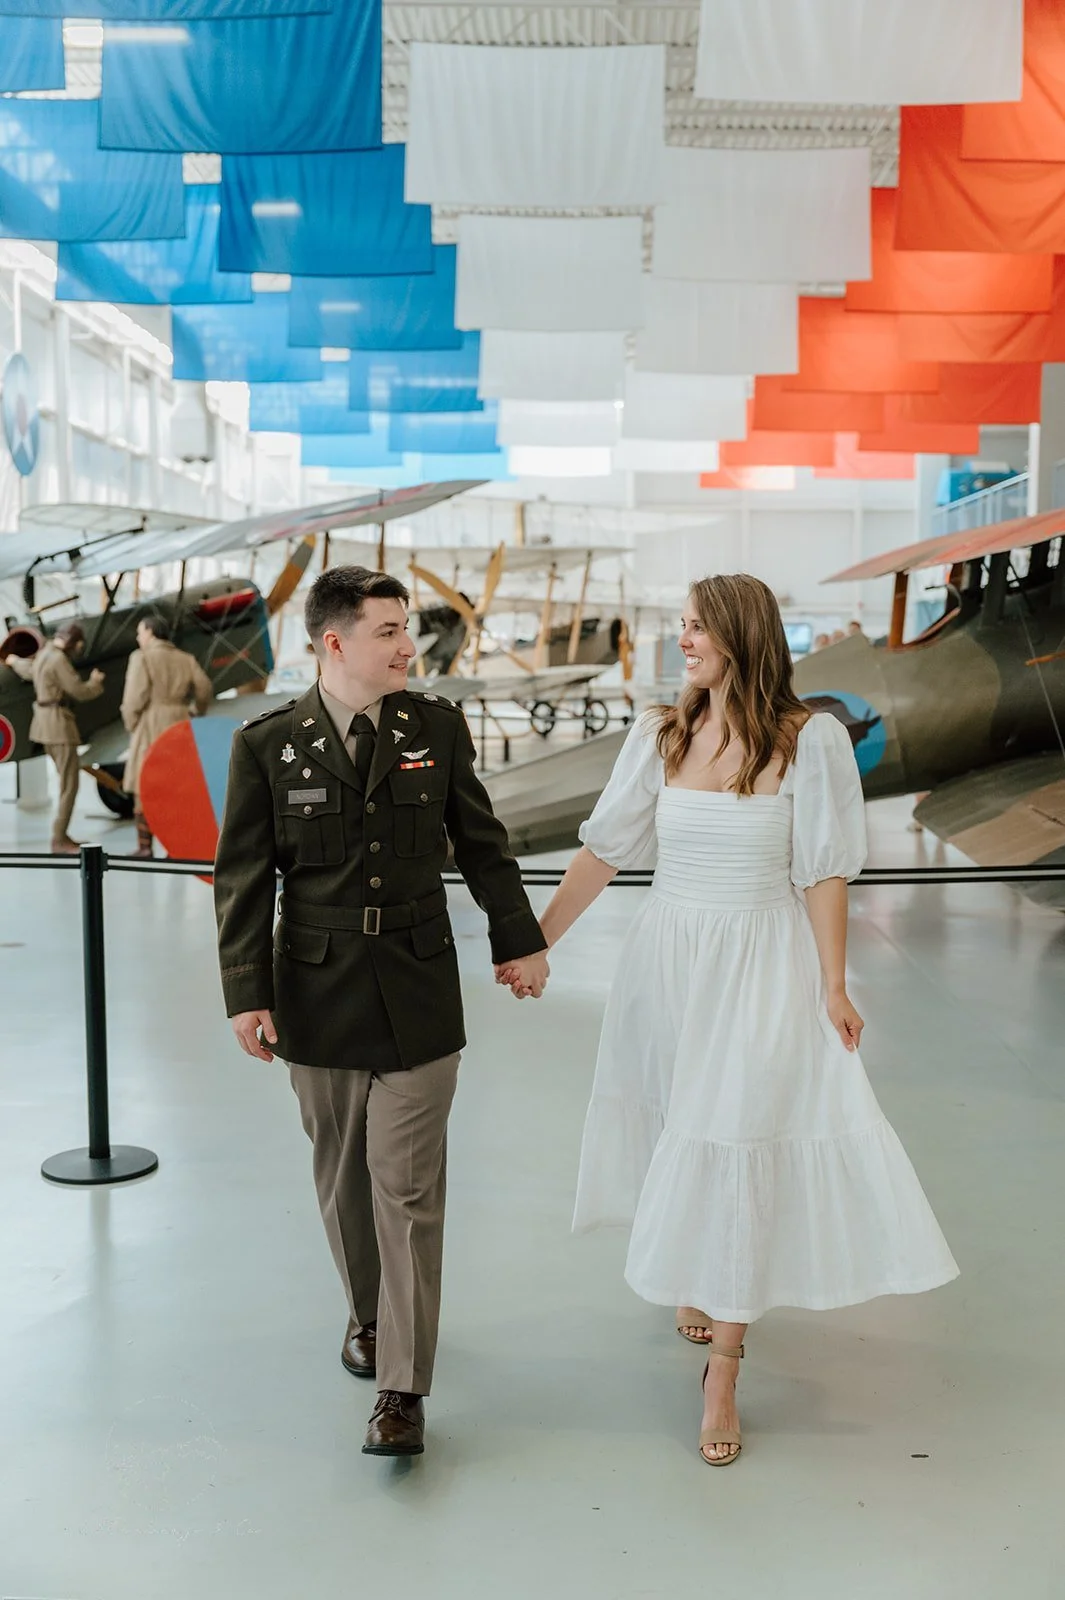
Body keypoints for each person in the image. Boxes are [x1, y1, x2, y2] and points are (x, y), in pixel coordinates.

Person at [501, 574, 958, 1467]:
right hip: (668, 960)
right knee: (680, 1123)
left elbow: (824, 869)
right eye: (680, 627)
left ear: (742, 636)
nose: (683, 642)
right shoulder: (661, 734)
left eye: (696, 629)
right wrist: (539, 942)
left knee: (738, 1138)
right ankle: (692, 1276)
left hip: (761, 964)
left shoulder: (806, 739)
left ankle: (726, 1371)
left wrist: (833, 984)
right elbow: (605, 849)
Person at [213, 566, 549, 1460]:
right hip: (314, 991)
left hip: (416, 982)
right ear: (335, 643)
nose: (410, 645)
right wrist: (246, 992)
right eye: (390, 630)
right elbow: (244, 875)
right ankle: (365, 1315)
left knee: (406, 1189)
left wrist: (517, 940)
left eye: (407, 629)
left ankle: (401, 1387)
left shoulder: (434, 728)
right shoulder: (268, 744)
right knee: (342, 1181)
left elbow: (480, 840)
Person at [4, 622, 104, 853]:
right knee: (70, 785)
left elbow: (28, 671)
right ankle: (59, 839)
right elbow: (79, 690)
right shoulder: (59, 660)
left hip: (42, 726)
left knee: (65, 782)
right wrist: (96, 683)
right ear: (74, 643)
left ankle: (62, 835)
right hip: (59, 726)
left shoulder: (44, 653)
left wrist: (14, 661)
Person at [120, 613, 212, 858]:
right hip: (179, 723)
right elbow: (204, 687)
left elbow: (133, 698)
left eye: (140, 632)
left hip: (151, 722)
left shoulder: (142, 658)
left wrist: (132, 723)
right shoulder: (185, 658)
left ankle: (145, 846)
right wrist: (196, 711)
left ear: (150, 631)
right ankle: (176, 848)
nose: (139, 637)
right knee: (177, 786)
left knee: (144, 783)